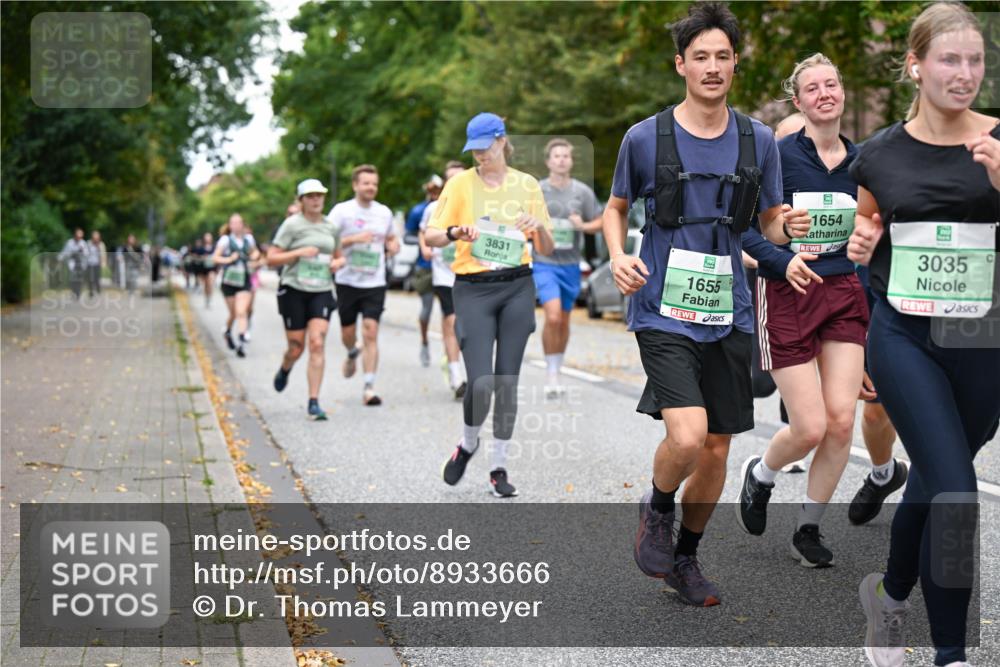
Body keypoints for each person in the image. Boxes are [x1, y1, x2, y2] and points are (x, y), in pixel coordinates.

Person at [602, 2, 803, 606]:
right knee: (687, 438)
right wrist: (617, 255)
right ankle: (656, 507)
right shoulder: (646, 137)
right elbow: (616, 208)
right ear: (681, 65)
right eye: (700, 57)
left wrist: (787, 230)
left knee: (717, 446)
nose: (712, 67)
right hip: (662, 306)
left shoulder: (758, 140)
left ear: (734, 64)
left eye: (722, 56)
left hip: (729, 310)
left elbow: (767, 224)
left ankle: (685, 560)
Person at [846, 4, 1000, 666]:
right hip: (904, 334)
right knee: (957, 490)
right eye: (949, 59)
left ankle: (888, 593)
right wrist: (861, 245)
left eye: (975, 60)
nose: (964, 73)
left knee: (938, 479)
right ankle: (950, 654)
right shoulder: (876, 155)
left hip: (982, 339)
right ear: (916, 65)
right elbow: (867, 235)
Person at [737, 53, 874, 568]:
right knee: (810, 426)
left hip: (842, 292)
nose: (825, 93)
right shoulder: (777, 155)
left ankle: (808, 528)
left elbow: (873, 231)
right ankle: (762, 473)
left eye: (832, 84)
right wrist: (781, 257)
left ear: (842, 92)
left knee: (841, 423)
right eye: (812, 88)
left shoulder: (864, 163)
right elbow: (745, 228)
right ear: (799, 101)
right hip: (788, 293)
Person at [426, 112, 555, 498]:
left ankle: (498, 468)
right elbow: (431, 237)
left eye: (485, 147)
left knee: (507, 382)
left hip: (516, 286)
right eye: (474, 150)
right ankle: (468, 444)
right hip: (472, 289)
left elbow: (547, 248)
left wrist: (540, 227)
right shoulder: (460, 184)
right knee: (480, 383)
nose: (480, 155)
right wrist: (453, 232)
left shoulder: (527, 184)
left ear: (502, 141)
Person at [268, 179, 346, 421]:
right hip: (294, 289)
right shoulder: (291, 225)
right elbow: (271, 258)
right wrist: (299, 253)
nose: (316, 200)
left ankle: (314, 401)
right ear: (301, 200)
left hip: (321, 289)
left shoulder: (331, 227)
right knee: (296, 347)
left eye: (319, 196)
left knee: (316, 343)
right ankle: (285, 367)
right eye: (310, 196)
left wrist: (337, 263)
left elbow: (340, 256)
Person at [534, 138, 603, 397]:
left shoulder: (581, 192)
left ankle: (557, 366)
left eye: (566, 156)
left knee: (563, 320)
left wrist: (582, 227)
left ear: (571, 161)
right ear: (548, 161)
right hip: (544, 262)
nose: (562, 160)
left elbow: (601, 221)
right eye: (557, 156)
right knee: (551, 316)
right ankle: (550, 374)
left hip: (571, 265)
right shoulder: (538, 190)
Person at [331, 165, 399, 406]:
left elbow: (391, 238)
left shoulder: (384, 213)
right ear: (355, 185)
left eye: (374, 184)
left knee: (370, 331)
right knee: (348, 333)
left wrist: (393, 246)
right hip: (347, 280)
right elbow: (327, 239)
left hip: (375, 281)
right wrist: (353, 239)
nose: (371, 187)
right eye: (366, 183)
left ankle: (369, 386)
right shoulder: (341, 211)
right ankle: (351, 351)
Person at [419, 160, 468, 399]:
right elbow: (424, 232)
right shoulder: (434, 208)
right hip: (444, 274)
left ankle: (453, 361)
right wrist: (425, 248)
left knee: (466, 325)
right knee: (451, 320)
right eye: (451, 178)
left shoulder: (476, 205)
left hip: (471, 273)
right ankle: (457, 374)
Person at [407, 175, 444, 367]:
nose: (434, 194)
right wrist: (425, 246)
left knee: (450, 313)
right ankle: (424, 342)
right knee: (427, 309)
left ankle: (450, 352)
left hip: (447, 268)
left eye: (437, 190)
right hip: (426, 267)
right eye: (431, 190)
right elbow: (408, 236)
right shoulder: (419, 210)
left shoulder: (449, 207)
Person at [213, 214, 260, 358]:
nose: (236, 225)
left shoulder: (248, 239)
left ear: (242, 224)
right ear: (230, 225)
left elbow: (255, 251)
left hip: (244, 279)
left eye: (239, 222)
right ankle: (227, 330)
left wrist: (254, 257)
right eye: (233, 223)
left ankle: (241, 342)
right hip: (228, 280)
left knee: (241, 311)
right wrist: (229, 259)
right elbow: (215, 257)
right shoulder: (225, 240)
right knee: (233, 313)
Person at [58, 228, 89, 299]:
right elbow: (65, 251)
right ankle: (74, 291)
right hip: (72, 263)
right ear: (75, 235)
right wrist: (59, 258)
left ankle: (78, 292)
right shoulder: (70, 242)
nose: (79, 238)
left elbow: (87, 254)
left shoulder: (83, 243)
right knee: (72, 278)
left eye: (80, 237)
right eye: (78, 236)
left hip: (80, 263)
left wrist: (82, 251)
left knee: (79, 279)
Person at [195, 232, 216, 307]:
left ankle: (210, 298)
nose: (208, 239)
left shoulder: (215, 247)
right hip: (203, 269)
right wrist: (203, 257)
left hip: (212, 268)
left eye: (209, 237)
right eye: (206, 237)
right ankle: (206, 299)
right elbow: (196, 258)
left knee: (210, 283)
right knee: (205, 285)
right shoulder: (201, 248)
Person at [86, 230, 106, 296]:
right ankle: (91, 291)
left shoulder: (101, 244)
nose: (95, 239)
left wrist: (103, 263)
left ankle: (98, 289)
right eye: (94, 238)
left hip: (97, 263)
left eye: (97, 238)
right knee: (89, 278)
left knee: (96, 278)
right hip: (89, 263)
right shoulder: (88, 243)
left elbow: (103, 254)